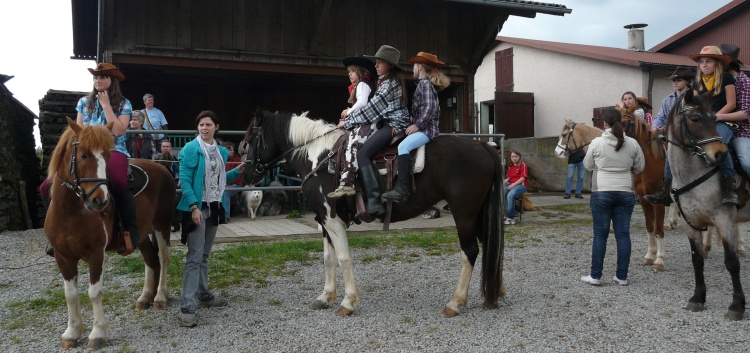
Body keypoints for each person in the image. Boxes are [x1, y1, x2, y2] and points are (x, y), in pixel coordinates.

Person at [40, 63, 138, 255]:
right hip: (87, 152)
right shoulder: (84, 102)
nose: (98, 80)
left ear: (112, 81)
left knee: (118, 181)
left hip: (112, 150)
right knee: (46, 186)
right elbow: (79, 130)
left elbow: (118, 131)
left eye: (102, 77)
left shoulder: (124, 104)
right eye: (95, 77)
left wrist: (106, 106)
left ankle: (130, 231)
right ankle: (55, 233)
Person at [176, 110, 244, 327]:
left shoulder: (221, 152)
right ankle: (186, 306)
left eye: (208, 125)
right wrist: (194, 207)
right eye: (201, 125)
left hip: (214, 207)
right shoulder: (191, 149)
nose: (204, 128)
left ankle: (203, 295)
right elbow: (185, 180)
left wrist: (238, 171)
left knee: (204, 255)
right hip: (197, 208)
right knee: (194, 257)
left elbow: (219, 178)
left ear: (216, 127)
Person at [328, 45, 410, 216]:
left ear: (390, 66)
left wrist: (348, 121)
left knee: (362, 154)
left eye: (381, 63)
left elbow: (371, 110)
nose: (377, 65)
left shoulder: (388, 84)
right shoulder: (386, 82)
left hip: (393, 126)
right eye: (377, 62)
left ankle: (374, 200)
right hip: (388, 123)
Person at [581, 107, 645, 286]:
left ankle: (595, 275)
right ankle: (621, 276)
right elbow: (640, 167)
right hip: (625, 191)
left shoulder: (596, 143)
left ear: (604, 123)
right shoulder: (632, 143)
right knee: (623, 235)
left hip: (602, 190)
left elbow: (587, 165)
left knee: (600, 235)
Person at [382, 52, 450, 202]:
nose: (412, 68)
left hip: (427, 130)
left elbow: (430, 108)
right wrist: (412, 117)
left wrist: (417, 125)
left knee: (403, 147)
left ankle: (402, 189)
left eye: (414, 65)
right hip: (424, 127)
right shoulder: (424, 84)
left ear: (420, 67)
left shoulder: (424, 84)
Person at [692, 45, 739, 205]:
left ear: (717, 63)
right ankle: (669, 183)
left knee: (719, 143)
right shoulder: (696, 82)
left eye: (709, 61)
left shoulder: (726, 78)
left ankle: (729, 187)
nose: (704, 65)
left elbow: (732, 104)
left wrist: (715, 117)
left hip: (723, 119)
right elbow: (696, 105)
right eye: (702, 62)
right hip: (705, 121)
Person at [327, 53, 377, 199]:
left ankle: (348, 181)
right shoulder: (366, 84)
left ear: (362, 72)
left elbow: (362, 103)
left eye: (352, 71)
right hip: (366, 121)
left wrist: (348, 111)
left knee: (352, 144)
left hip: (369, 124)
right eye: (348, 72)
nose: (349, 74)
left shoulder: (362, 84)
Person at [643, 67, 695, 205]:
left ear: (687, 81)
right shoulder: (667, 100)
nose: (675, 83)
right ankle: (665, 191)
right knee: (668, 156)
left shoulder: (693, 98)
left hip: (691, 137)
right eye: (674, 80)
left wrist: (666, 128)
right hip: (673, 138)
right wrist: (655, 127)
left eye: (678, 80)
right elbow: (660, 116)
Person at [719, 44, 750, 177]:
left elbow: (745, 113)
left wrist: (717, 117)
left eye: (719, 61)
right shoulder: (718, 81)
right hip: (718, 127)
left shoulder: (745, 83)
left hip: (740, 132)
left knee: (746, 164)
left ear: (728, 63)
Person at [503, 150, 528, 225]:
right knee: (502, 193)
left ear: (519, 157)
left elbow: (523, 178)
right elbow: (509, 177)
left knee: (510, 195)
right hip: (511, 184)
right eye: (512, 157)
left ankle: (511, 218)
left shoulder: (523, 165)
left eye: (516, 157)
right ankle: (506, 215)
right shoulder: (511, 166)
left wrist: (513, 185)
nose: (514, 158)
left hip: (521, 185)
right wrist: (506, 180)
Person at [221, 141, 244, 222]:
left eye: (233, 149)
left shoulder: (236, 159)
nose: (232, 151)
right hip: (223, 183)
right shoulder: (221, 159)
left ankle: (226, 216)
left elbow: (237, 176)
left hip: (235, 184)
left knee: (225, 192)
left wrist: (227, 183)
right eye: (230, 150)